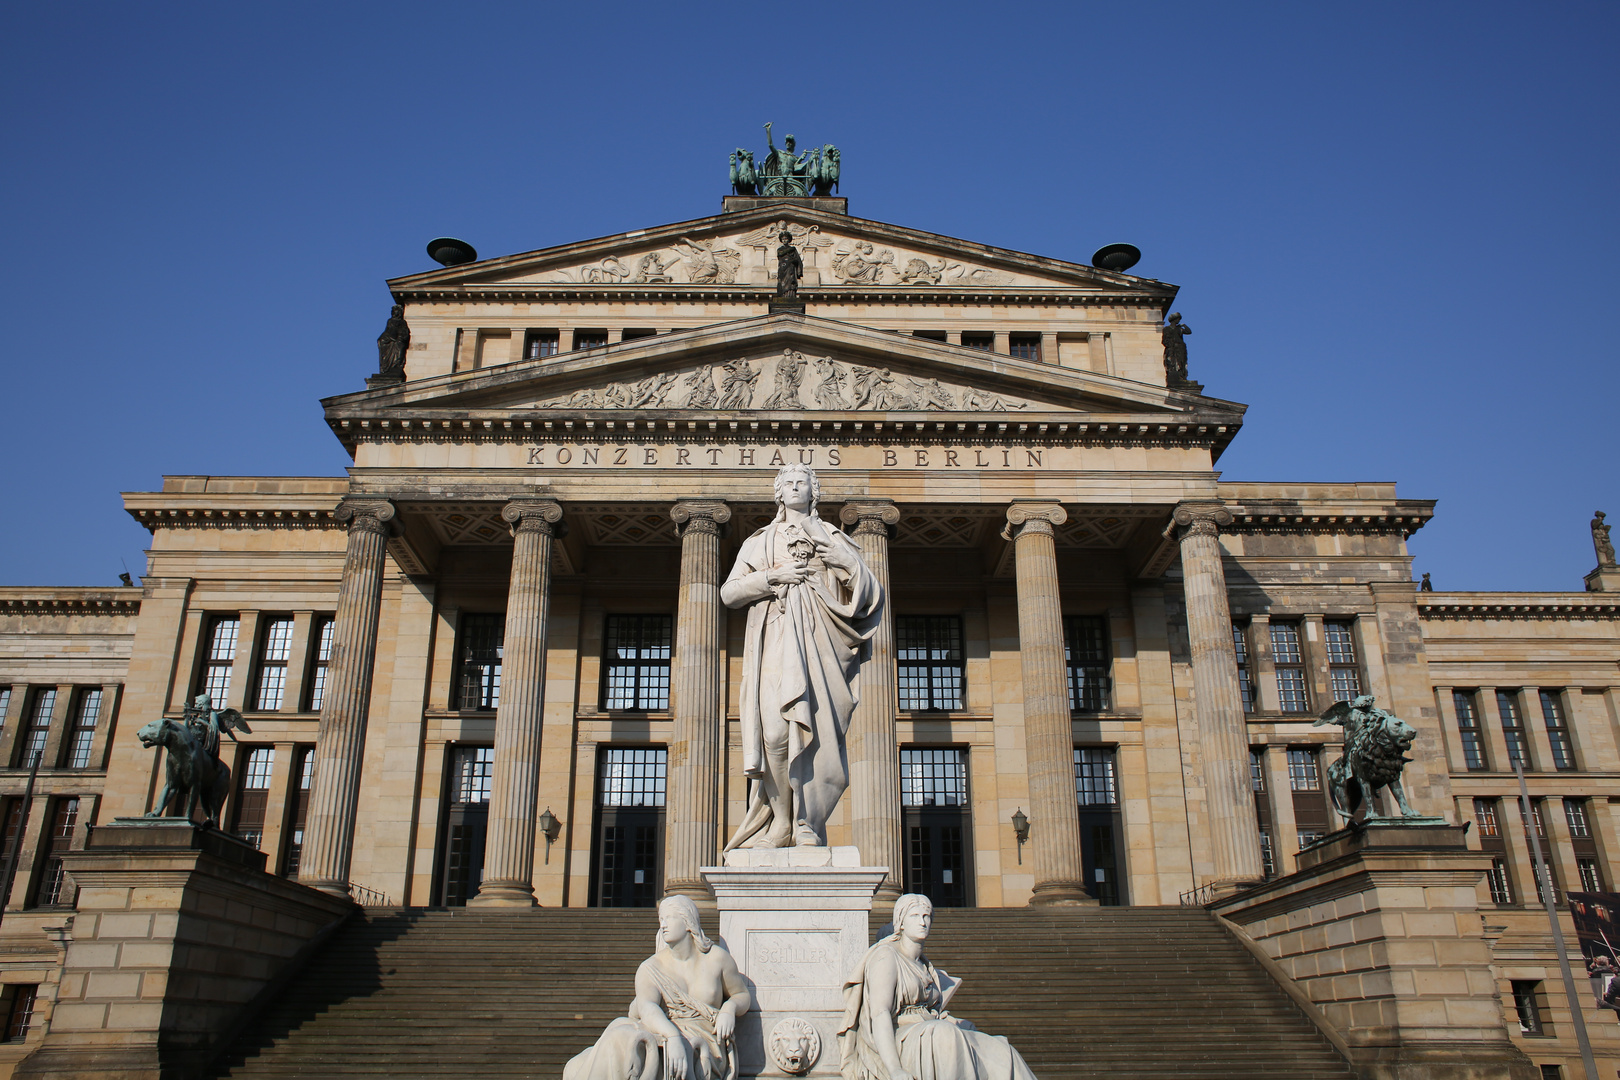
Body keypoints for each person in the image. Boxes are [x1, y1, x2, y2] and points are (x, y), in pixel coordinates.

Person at [721, 464, 883, 849]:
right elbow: (729, 594)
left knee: (820, 737)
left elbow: (868, 590)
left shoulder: (832, 535)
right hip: (776, 637)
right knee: (775, 734)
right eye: (788, 483)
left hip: (820, 641)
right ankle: (780, 821)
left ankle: (807, 822)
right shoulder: (759, 542)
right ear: (778, 492)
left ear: (815, 492)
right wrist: (772, 577)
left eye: (802, 483)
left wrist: (836, 555)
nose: (795, 488)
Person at [839, 894, 1038, 1080]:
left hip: (928, 1028)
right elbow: (879, 1014)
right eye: (914, 915)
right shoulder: (886, 956)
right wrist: (895, 1069)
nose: (922, 921)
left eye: (926, 916)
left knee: (1000, 1048)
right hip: (900, 1036)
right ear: (900, 921)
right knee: (945, 1034)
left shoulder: (923, 963)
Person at [563, 895, 750, 1080]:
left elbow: (741, 994)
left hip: (706, 1043)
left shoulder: (717, 959)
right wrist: (673, 1037)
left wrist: (729, 1009)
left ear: (687, 921)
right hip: (665, 1029)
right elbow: (648, 1008)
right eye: (661, 919)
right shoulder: (650, 968)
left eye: (669, 918)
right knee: (619, 1036)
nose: (663, 924)